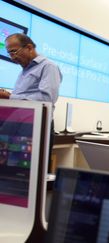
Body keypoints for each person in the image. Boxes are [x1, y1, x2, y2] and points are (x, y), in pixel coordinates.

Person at [1, 33, 62, 171]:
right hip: (18, 125)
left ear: (29, 47)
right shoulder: (24, 71)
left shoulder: (48, 67)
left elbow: (47, 99)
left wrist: (9, 97)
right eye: (9, 53)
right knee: (14, 171)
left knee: (32, 172)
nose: (12, 57)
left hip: (35, 125)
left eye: (13, 51)